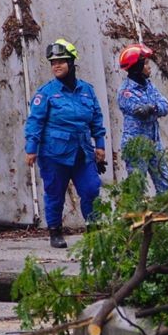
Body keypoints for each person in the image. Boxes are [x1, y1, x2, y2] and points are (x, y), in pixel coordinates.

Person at [24, 39, 107, 248]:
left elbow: (96, 118)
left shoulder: (87, 90)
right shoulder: (47, 92)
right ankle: (55, 231)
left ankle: (94, 231)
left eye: (61, 61)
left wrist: (100, 145)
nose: (56, 66)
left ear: (71, 62)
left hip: (82, 152)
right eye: (53, 63)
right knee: (55, 193)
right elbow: (35, 121)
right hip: (54, 154)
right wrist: (31, 149)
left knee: (91, 189)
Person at [117, 43, 168, 194]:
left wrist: (153, 108)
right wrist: (153, 108)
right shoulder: (125, 92)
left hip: (154, 143)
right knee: (137, 189)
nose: (149, 67)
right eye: (146, 63)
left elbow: (164, 105)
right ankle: (137, 218)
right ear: (136, 67)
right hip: (136, 146)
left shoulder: (149, 86)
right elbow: (141, 112)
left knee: (166, 184)